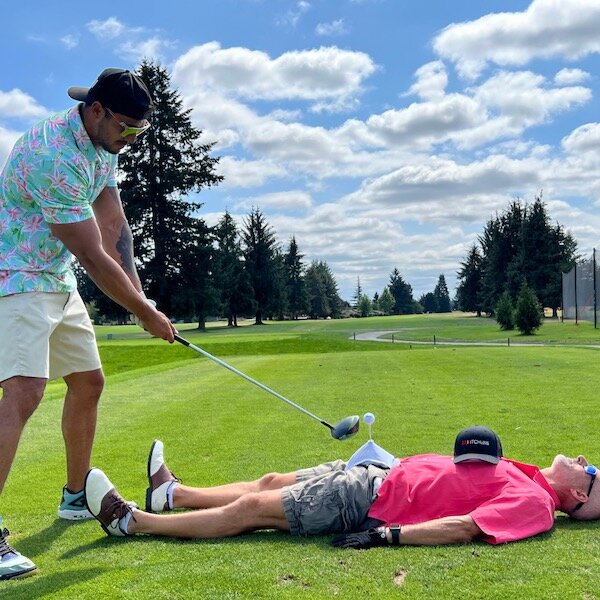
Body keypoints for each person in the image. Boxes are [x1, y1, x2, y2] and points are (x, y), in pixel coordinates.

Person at [0, 68, 177, 580]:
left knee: (88, 381)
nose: (131, 140)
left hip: (55, 276)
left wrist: (142, 298)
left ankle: (76, 496)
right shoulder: (53, 155)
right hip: (16, 275)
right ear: (96, 110)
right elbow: (93, 256)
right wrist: (144, 313)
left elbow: (113, 224)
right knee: (24, 391)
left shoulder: (104, 144)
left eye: (140, 132)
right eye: (126, 128)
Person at [83, 428, 600, 549]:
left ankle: (133, 522)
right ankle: (173, 495)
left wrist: (388, 536)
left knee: (254, 507)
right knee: (269, 481)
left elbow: (467, 526)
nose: (583, 460)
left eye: (591, 471)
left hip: (369, 500)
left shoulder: (536, 504)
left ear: (578, 496)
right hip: (379, 472)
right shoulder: (529, 474)